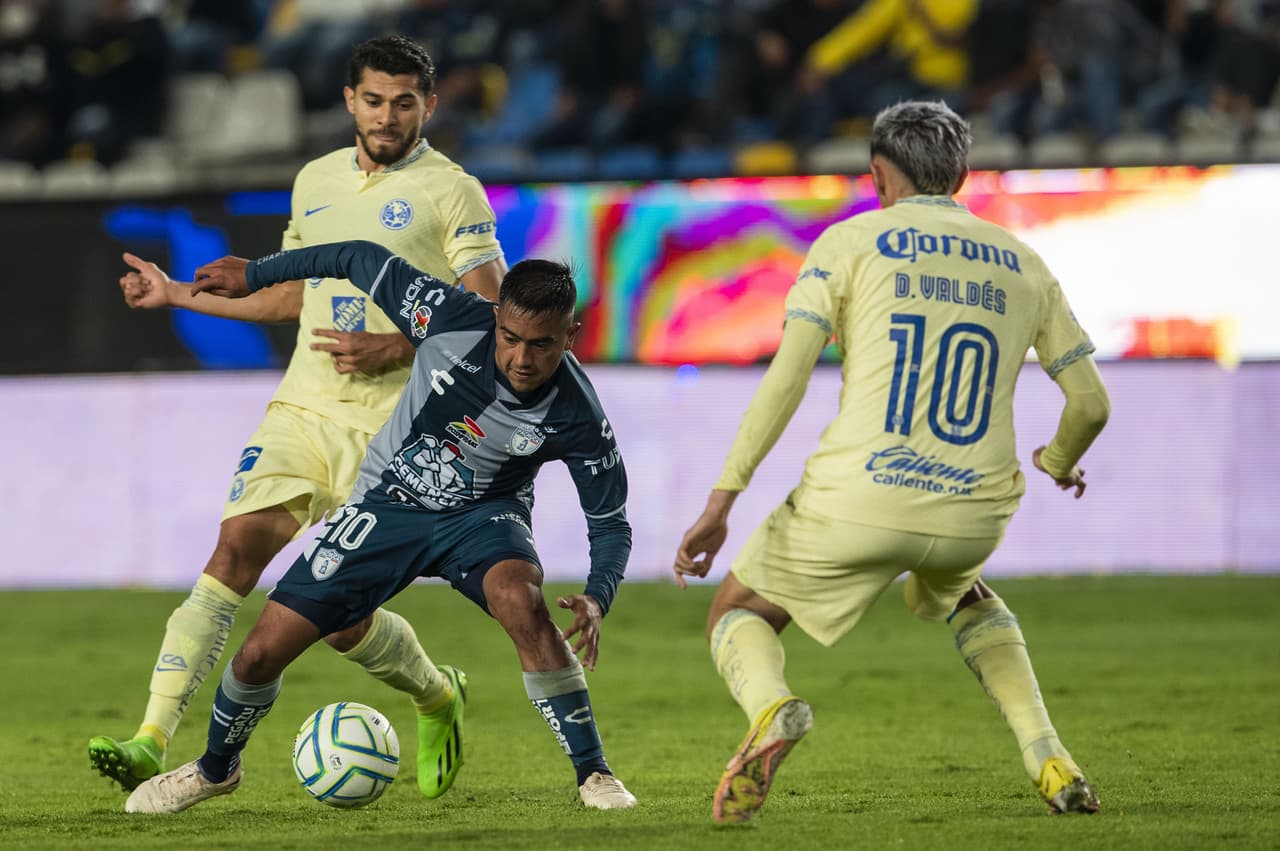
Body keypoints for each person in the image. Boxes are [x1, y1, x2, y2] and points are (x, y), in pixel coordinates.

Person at [90, 35, 507, 803]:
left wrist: (399, 341)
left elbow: (492, 311)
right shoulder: (315, 179)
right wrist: (175, 292)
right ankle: (150, 737)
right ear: (350, 101)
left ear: (428, 105)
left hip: (394, 434)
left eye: (404, 103)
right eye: (373, 100)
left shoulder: (454, 191)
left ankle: (437, 692)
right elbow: (293, 294)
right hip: (303, 410)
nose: (387, 116)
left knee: (338, 620)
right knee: (233, 552)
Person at [673, 100, 1110, 824]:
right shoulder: (1025, 262)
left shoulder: (848, 242)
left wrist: (722, 501)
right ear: (962, 175)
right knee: (968, 593)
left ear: (879, 173)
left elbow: (786, 379)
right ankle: (1048, 753)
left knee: (739, 609)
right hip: (973, 510)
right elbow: (1091, 403)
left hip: (858, 500)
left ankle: (772, 709)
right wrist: (1059, 460)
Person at [122, 242, 637, 814]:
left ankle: (595, 773)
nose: (521, 358)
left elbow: (610, 524)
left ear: (570, 336)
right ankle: (215, 771)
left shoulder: (579, 415)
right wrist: (257, 273)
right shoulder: (448, 317)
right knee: (259, 653)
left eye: (541, 345)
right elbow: (357, 257)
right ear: (496, 317)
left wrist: (598, 597)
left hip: (483, 517)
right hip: (387, 505)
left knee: (522, 601)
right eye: (510, 337)